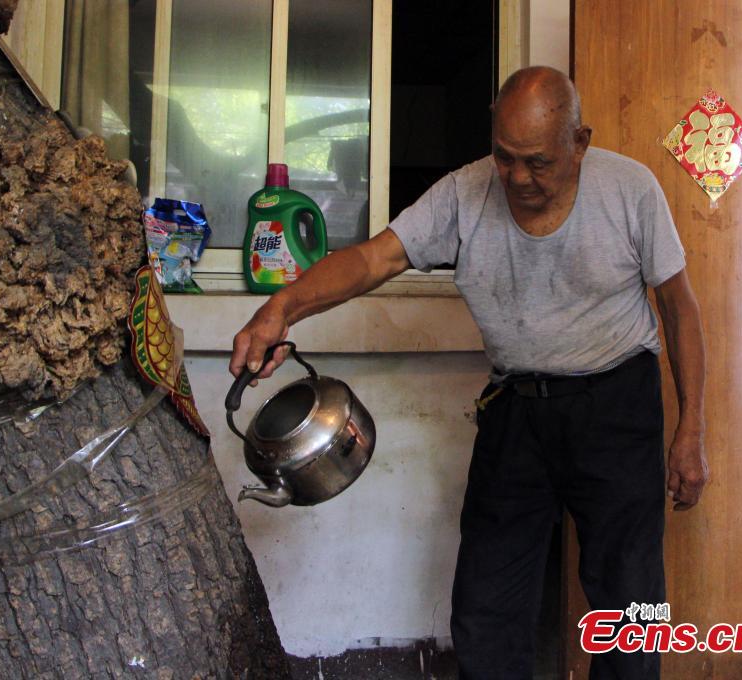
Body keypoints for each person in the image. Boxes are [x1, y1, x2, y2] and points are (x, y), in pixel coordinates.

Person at [229, 66, 708, 679]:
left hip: (615, 405)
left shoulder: (630, 190)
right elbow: (375, 258)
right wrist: (280, 308)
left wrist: (691, 427)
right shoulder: (463, 193)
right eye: (504, 157)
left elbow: (679, 306)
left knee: (629, 602)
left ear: (579, 142)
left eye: (537, 162)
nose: (516, 178)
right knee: (486, 608)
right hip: (516, 410)